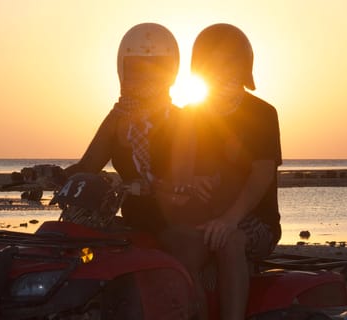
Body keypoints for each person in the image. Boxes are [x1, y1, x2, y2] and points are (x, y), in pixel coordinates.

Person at [153, 23, 282, 320]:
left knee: (230, 240)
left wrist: (228, 220)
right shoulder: (189, 116)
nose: (224, 71)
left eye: (231, 63)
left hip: (253, 220)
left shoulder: (263, 113)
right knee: (179, 247)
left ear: (244, 67)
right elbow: (181, 172)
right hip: (202, 216)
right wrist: (187, 183)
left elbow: (263, 173)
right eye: (214, 64)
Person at [63, 23, 180, 233]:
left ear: (171, 72)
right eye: (137, 68)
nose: (146, 76)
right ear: (123, 69)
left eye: (156, 68)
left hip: (176, 224)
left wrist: (161, 186)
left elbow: (193, 178)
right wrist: (52, 175)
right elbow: (87, 167)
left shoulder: (183, 120)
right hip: (134, 222)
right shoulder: (117, 119)